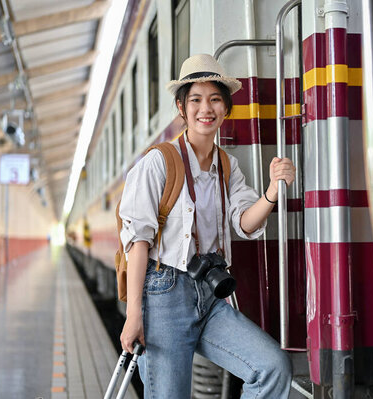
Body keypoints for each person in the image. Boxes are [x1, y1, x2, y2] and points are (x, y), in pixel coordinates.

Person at [118, 53, 296, 398]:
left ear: (226, 109)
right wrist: (133, 313)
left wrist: (272, 190)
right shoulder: (158, 162)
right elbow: (137, 242)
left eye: (215, 99)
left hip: (210, 297)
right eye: (196, 100)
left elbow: (245, 222)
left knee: (271, 367)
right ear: (181, 109)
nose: (206, 108)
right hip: (163, 294)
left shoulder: (227, 166)